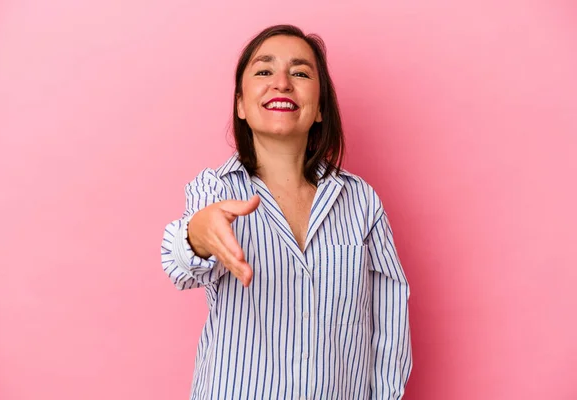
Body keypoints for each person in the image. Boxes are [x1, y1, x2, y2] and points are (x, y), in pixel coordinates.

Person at [161, 24, 412, 399]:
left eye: (299, 72)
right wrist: (199, 234)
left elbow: (390, 317)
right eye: (264, 71)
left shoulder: (362, 202)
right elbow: (181, 266)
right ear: (241, 105)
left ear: (321, 109)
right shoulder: (214, 189)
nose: (281, 82)